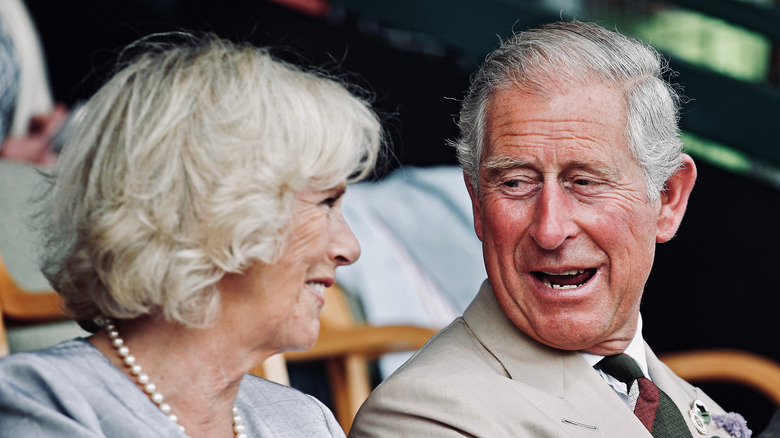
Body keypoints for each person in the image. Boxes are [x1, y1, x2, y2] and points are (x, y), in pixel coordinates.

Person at [350, 21, 750, 438]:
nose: (550, 229)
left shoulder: (691, 405)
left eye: (585, 182)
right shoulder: (421, 416)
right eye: (516, 183)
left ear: (667, 199)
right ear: (479, 207)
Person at [0, 32, 382, 437]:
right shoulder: (42, 404)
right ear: (212, 209)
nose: (349, 248)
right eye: (326, 203)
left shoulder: (306, 422)